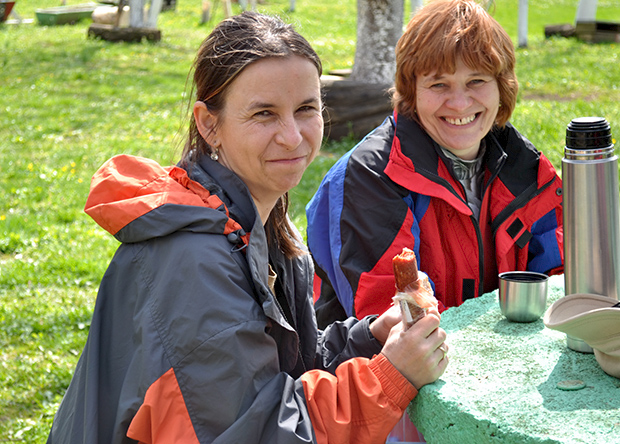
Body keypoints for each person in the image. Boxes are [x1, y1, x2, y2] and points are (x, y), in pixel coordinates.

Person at [46, 11, 448, 444]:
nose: (292, 136)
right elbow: (257, 431)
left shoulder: (260, 227)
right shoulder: (192, 262)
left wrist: (368, 338)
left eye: (306, 109)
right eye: (264, 114)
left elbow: (283, 367)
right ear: (209, 124)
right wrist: (391, 376)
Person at [306, 0, 564, 329]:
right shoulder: (370, 176)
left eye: (477, 81)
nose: (459, 103)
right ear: (411, 91)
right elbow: (396, 321)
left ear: (503, 87)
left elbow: (560, 288)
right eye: (438, 84)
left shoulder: (529, 169)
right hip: (378, 371)